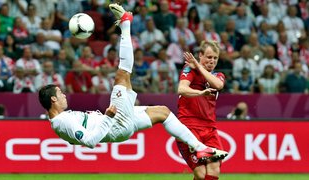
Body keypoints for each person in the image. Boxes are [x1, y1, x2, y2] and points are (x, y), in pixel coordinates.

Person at [38, 4, 227, 163]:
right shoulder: (61, 122)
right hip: (115, 123)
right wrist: (108, 117)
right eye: (60, 93)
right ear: (53, 99)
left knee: (163, 112)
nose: (64, 95)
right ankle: (126, 23)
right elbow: (89, 142)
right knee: (122, 75)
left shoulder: (61, 118)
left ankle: (201, 149)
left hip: (118, 126)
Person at [177, 41, 228, 180]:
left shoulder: (218, 75)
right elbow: (181, 89)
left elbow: (218, 85)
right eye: (209, 57)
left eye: (215, 58)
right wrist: (200, 93)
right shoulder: (189, 70)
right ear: (200, 55)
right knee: (200, 174)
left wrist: (199, 66)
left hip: (209, 129)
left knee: (214, 169)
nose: (212, 61)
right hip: (189, 127)